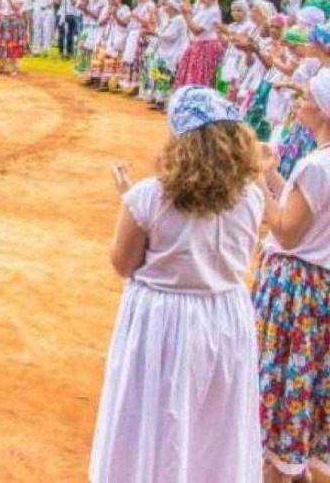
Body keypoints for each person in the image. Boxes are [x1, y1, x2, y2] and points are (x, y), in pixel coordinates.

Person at [89, 86, 263, 482]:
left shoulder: (151, 195)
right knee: (216, 423)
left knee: (155, 415)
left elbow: (123, 262)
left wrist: (128, 199)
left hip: (164, 320)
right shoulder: (250, 197)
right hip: (226, 316)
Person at [255, 68, 330, 482]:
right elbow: (304, 207)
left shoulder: (317, 165)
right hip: (320, 284)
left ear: (322, 111)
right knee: (307, 378)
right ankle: (296, 459)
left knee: (281, 377)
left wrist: (255, 181)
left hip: (295, 287)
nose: (299, 103)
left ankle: (279, 466)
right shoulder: (320, 165)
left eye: (307, 99)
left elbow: (285, 228)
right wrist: (270, 172)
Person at [172, 0, 225, 89]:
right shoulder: (204, 8)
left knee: (199, 78)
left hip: (205, 48)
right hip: (197, 45)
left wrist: (185, 14)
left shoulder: (213, 11)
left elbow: (196, 30)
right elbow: (194, 22)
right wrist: (188, 12)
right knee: (191, 76)